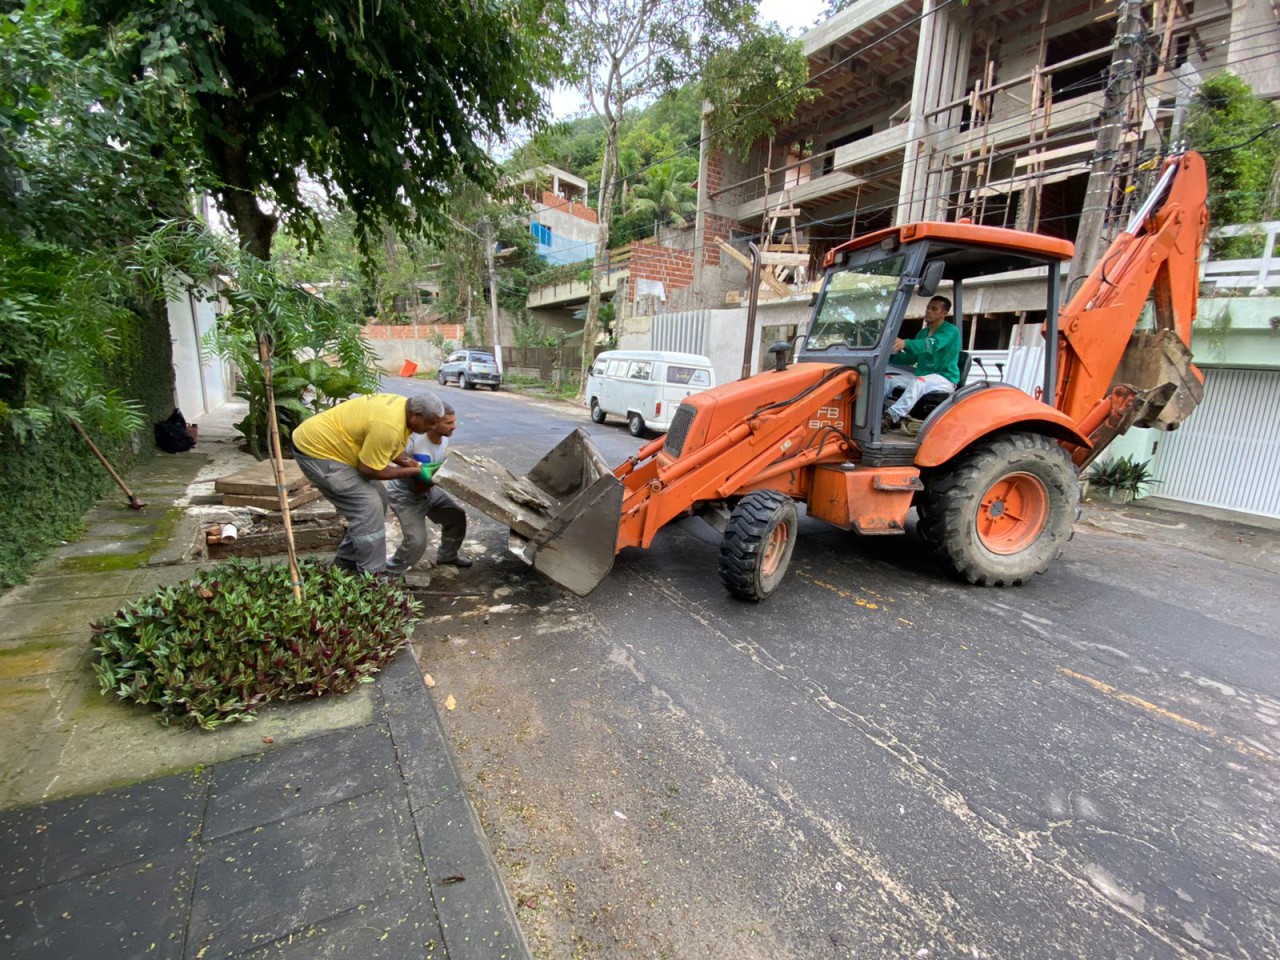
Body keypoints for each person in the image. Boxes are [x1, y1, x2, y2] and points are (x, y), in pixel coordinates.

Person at [291, 392, 445, 574]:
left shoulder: (402, 408)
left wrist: (411, 462)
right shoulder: (388, 427)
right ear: (416, 415)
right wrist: (415, 471)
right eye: (431, 422)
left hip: (335, 445)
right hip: (316, 451)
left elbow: (389, 448)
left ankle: (346, 563)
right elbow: (370, 470)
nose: (434, 427)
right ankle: (372, 580)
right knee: (368, 507)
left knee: (380, 497)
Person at [386, 402, 471, 575]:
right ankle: (390, 572)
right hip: (407, 494)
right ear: (434, 424)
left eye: (454, 422)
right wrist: (448, 476)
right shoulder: (420, 447)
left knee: (456, 516)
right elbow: (419, 485)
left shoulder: (443, 437)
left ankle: (447, 556)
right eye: (448, 423)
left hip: (428, 489)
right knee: (417, 541)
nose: (453, 427)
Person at [883, 295, 962, 431]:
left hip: (944, 378)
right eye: (928, 308)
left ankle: (891, 417)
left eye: (934, 309)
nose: (928, 311)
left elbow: (931, 345)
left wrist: (905, 343)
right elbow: (912, 357)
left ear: (944, 313)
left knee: (918, 382)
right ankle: (875, 412)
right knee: (888, 379)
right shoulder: (923, 333)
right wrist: (889, 357)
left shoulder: (950, 331)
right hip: (923, 376)